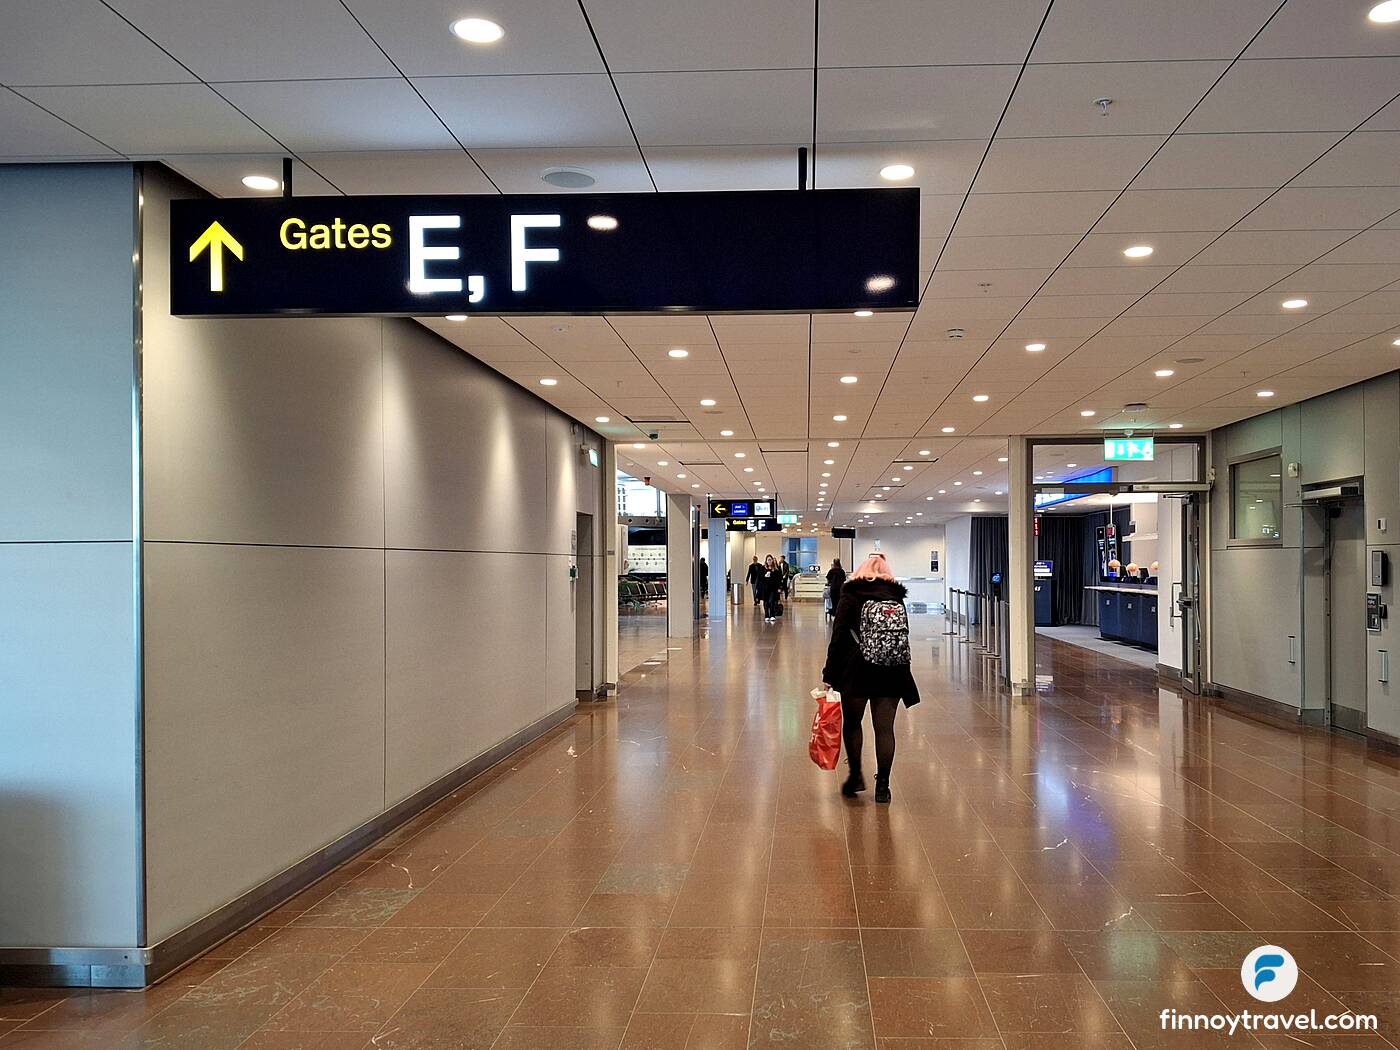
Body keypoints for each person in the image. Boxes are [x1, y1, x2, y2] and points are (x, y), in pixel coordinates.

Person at [821, 553, 919, 804]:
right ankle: (883, 787)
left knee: (853, 723)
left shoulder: (851, 593)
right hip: (892, 669)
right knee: (884, 729)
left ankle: (856, 776)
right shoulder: (895, 596)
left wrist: (829, 674)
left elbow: (839, 635)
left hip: (857, 669)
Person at [760, 554, 784, 622]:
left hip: (773, 589)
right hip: (765, 589)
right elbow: (760, 578)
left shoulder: (776, 570)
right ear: (766, 561)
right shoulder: (763, 568)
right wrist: (765, 576)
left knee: (772, 602)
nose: (769, 561)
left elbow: (779, 579)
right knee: (766, 602)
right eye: (768, 560)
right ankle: (767, 615)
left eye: (770, 560)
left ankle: (772, 615)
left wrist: (779, 588)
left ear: (772, 561)